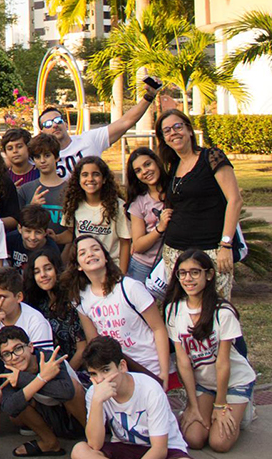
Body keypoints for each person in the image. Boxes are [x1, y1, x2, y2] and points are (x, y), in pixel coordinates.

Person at [70, 336, 198, 459]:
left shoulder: (150, 390)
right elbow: (94, 444)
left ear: (122, 366)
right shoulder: (95, 392)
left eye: (106, 370)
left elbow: (159, 450)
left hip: (160, 451)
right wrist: (98, 402)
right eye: (93, 374)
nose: (100, 380)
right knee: (79, 451)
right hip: (124, 448)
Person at [164, 250, 255, 453]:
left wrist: (221, 405)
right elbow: (183, 361)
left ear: (209, 275)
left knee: (219, 443)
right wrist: (193, 404)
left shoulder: (223, 312)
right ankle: (208, 406)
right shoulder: (173, 310)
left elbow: (223, 363)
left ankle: (245, 407)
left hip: (233, 381)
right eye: (183, 273)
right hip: (205, 384)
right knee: (194, 439)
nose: (188, 278)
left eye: (195, 272)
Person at [155, 109, 243, 300]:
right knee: (184, 312)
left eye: (178, 126)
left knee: (215, 311)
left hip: (211, 252)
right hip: (175, 253)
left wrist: (226, 245)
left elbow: (235, 200)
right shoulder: (173, 166)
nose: (173, 133)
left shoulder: (211, 157)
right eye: (167, 130)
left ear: (189, 130)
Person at [65, 235, 170, 387]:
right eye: (83, 253)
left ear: (106, 257)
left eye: (95, 249)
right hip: (116, 373)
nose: (90, 254)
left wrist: (164, 372)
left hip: (149, 367)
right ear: (78, 266)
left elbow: (158, 328)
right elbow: (94, 341)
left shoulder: (130, 287)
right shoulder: (81, 299)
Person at [35, 77, 158, 180]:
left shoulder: (89, 140)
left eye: (58, 120)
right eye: (48, 124)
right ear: (42, 131)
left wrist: (149, 97)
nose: (55, 125)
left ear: (66, 124)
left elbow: (125, 122)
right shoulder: (38, 156)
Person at [0, 326, 85, 457]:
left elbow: (67, 392)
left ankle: (95, 441)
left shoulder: (48, 358)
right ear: (2, 359)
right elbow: (9, 409)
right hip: (50, 418)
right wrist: (40, 379)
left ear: (30, 347)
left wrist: (24, 379)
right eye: (7, 354)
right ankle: (50, 442)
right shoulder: (10, 373)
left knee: (73, 387)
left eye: (18, 348)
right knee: (16, 401)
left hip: (78, 418)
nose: (14, 357)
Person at [60, 156, 132, 271]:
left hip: (111, 267)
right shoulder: (73, 204)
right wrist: (54, 237)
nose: (90, 179)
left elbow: (125, 243)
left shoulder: (118, 206)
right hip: (85, 266)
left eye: (96, 174)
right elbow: (70, 234)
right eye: (85, 175)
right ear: (78, 179)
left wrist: (122, 275)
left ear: (104, 179)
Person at [25, 249, 86, 371]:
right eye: (37, 272)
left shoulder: (72, 300)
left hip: (77, 370)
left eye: (48, 268)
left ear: (57, 269)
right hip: (49, 370)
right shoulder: (39, 303)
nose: (43, 275)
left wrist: (67, 375)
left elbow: (83, 349)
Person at [125, 148, 168, 286]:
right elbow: (137, 245)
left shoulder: (175, 191)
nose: (144, 171)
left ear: (156, 162)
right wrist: (160, 228)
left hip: (173, 263)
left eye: (147, 164)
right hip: (143, 266)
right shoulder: (138, 202)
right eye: (138, 170)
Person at [17, 133, 67, 227]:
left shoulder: (69, 189)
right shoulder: (25, 190)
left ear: (56, 157)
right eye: (37, 157)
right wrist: (32, 207)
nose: (42, 161)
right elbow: (19, 226)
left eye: (47, 155)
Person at [7, 204, 61, 270]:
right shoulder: (10, 240)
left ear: (45, 232)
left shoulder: (51, 249)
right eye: (28, 231)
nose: (32, 237)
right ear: (20, 229)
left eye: (38, 232)